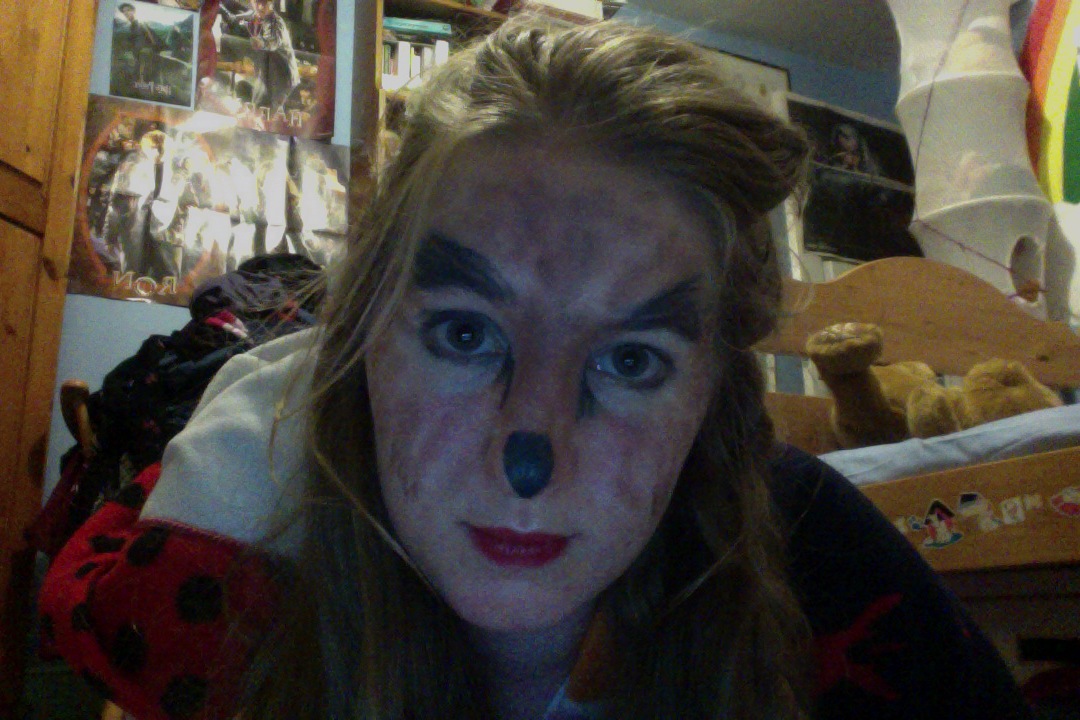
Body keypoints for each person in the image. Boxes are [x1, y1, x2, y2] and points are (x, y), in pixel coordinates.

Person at [40, 19, 1032, 720]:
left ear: (708, 398)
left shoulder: (821, 558)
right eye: (465, 336)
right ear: (363, 342)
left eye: (632, 358)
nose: (532, 455)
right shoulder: (226, 631)